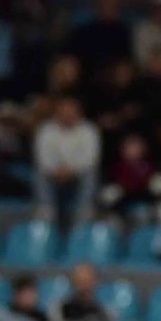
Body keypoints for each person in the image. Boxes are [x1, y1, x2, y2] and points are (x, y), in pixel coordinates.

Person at [33, 96, 101, 228]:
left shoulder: (89, 130)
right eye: (64, 112)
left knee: (91, 173)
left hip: (78, 175)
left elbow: (90, 158)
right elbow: (43, 158)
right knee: (39, 172)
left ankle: (83, 215)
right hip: (54, 175)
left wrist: (71, 170)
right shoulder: (46, 130)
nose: (68, 116)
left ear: (79, 113)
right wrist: (56, 170)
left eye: (71, 112)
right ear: (57, 113)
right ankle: (46, 214)